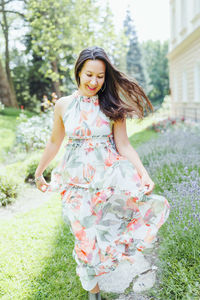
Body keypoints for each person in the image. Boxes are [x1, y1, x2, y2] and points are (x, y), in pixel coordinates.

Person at [35, 46, 170, 300]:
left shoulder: (111, 105)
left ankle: (110, 269)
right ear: (78, 72)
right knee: (84, 239)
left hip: (110, 181)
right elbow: (55, 141)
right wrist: (40, 170)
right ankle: (93, 292)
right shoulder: (64, 106)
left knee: (109, 234)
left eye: (100, 76)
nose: (94, 82)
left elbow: (125, 145)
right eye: (89, 75)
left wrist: (144, 174)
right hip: (75, 184)